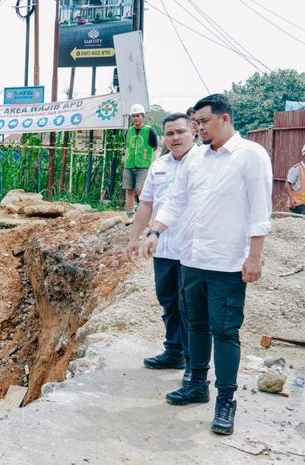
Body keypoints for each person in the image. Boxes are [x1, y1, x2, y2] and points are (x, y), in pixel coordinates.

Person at [142, 94, 272, 436]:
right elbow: (175, 202)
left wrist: (254, 257)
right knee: (196, 325)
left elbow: (260, 211)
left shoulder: (251, 156)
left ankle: (225, 401)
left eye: (203, 122)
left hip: (228, 263)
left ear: (225, 119)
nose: (197, 129)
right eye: (195, 123)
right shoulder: (196, 159)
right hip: (192, 260)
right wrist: (155, 231)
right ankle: (196, 384)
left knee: (225, 332)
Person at [127, 113, 197, 385]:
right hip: (164, 248)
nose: (175, 138)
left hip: (193, 250)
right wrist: (135, 237)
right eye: (169, 134)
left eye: (180, 132)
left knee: (190, 307)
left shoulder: (203, 164)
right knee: (168, 301)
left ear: (193, 132)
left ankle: (194, 364)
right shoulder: (160, 165)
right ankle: (174, 351)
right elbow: (146, 204)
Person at [123, 103, 159, 218]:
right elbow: (127, 146)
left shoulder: (149, 131)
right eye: (133, 116)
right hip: (129, 165)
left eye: (138, 115)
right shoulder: (128, 131)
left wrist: (144, 156)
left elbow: (154, 146)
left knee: (141, 191)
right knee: (129, 190)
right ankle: (130, 215)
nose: (135, 118)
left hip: (143, 166)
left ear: (143, 116)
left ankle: (144, 214)